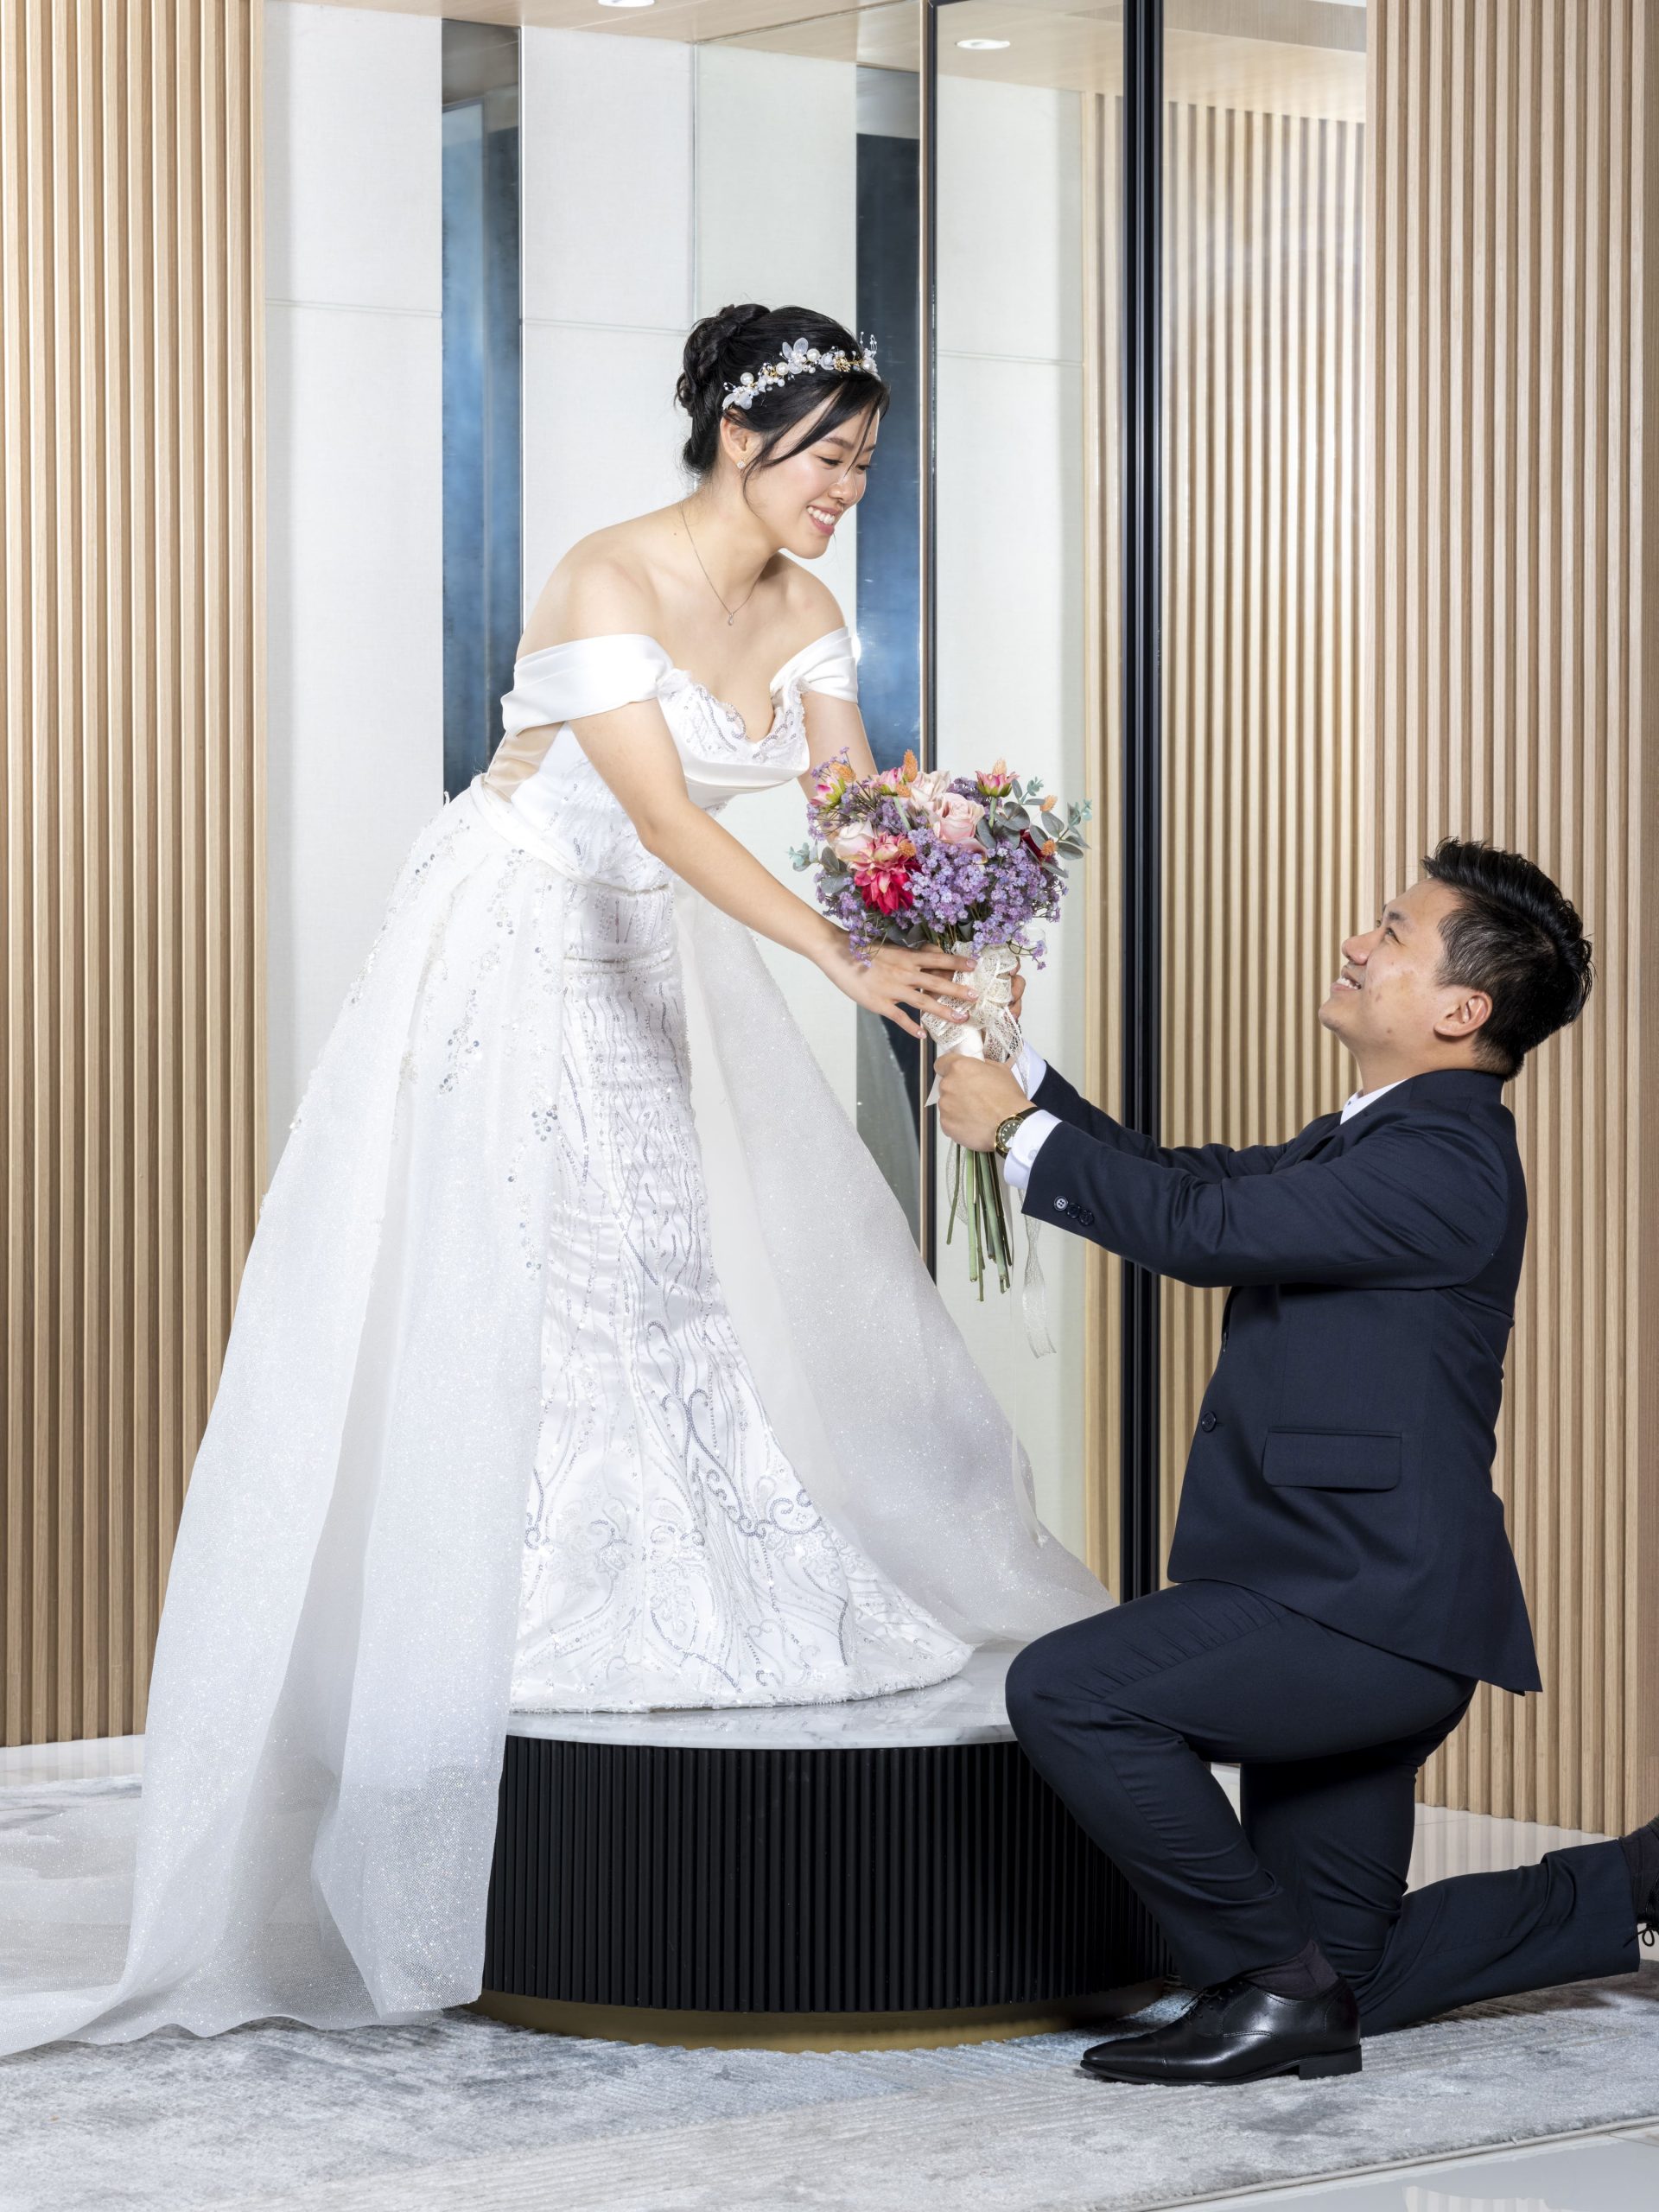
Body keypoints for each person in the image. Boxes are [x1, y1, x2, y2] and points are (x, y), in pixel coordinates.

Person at [0, 303, 1105, 2058]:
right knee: (542, 1260)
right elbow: (661, 816)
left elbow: (847, 810)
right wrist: (848, 961)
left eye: (864, 467)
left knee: (692, 1262)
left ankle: (706, 1559)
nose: (846, 492)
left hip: (666, 940)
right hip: (519, 926)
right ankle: (505, 1596)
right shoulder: (606, 575)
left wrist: (945, 908)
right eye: (830, 459)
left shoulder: (808, 614)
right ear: (741, 437)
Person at [938, 839, 1656, 2086]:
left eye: (1392, 931)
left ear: (1460, 1010)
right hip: (1343, 1596)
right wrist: (1017, 1073)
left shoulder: (1443, 1160)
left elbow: (1202, 1230)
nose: (1355, 943)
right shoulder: (1375, 1140)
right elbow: (1189, 1180)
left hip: (1360, 1610)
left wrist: (1014, 1135)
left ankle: (1272, 1990)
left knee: (1073, 1689)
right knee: (1350, 1973)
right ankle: (1638, 1887)